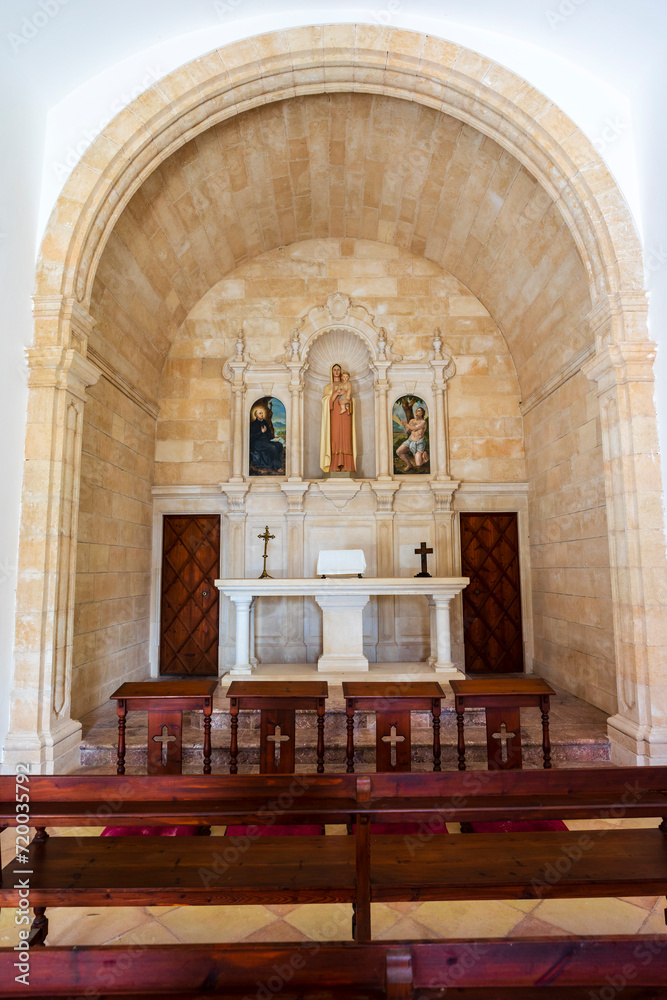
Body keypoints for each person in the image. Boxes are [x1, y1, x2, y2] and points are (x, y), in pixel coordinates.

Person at [319, 363, 357, 474]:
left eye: (338, 370)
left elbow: (352, 400)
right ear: (331, 371)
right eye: (334, 370)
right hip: (333, 416)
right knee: (335, 438)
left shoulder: (346, 384)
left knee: (346, 438)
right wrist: (335, 395)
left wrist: (348, 400)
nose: (336, 372)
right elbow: (325, 402)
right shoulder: (328, 387)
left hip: (345, 416)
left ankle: (347, 466)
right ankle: (334, 465)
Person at [249, 404, 284, 474]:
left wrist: (273, 439)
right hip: (258, 443)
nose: (262, 414)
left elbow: (268, 433)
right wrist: (261, 432)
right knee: (273, 447)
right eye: (260, 413)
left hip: (266, 441)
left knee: (279, 445)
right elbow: (252, 437)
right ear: (256, 415)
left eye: (262, 413)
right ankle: (277, 467)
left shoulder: (265, 422)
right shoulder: (253, 424)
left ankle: (274, 463)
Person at [396, 405, 429, 471]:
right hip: (410, 441)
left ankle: (425, 458)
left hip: (419, 443)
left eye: (419, 411)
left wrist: (406, 424)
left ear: (422, 413)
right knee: (398, 452)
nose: (417, 412)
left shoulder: (423, 422)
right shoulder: (412, 421)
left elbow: (415, 428)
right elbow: (408, 430)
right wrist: (405, 427)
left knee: (418, 464)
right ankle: (409, 465)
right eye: (416, 411)